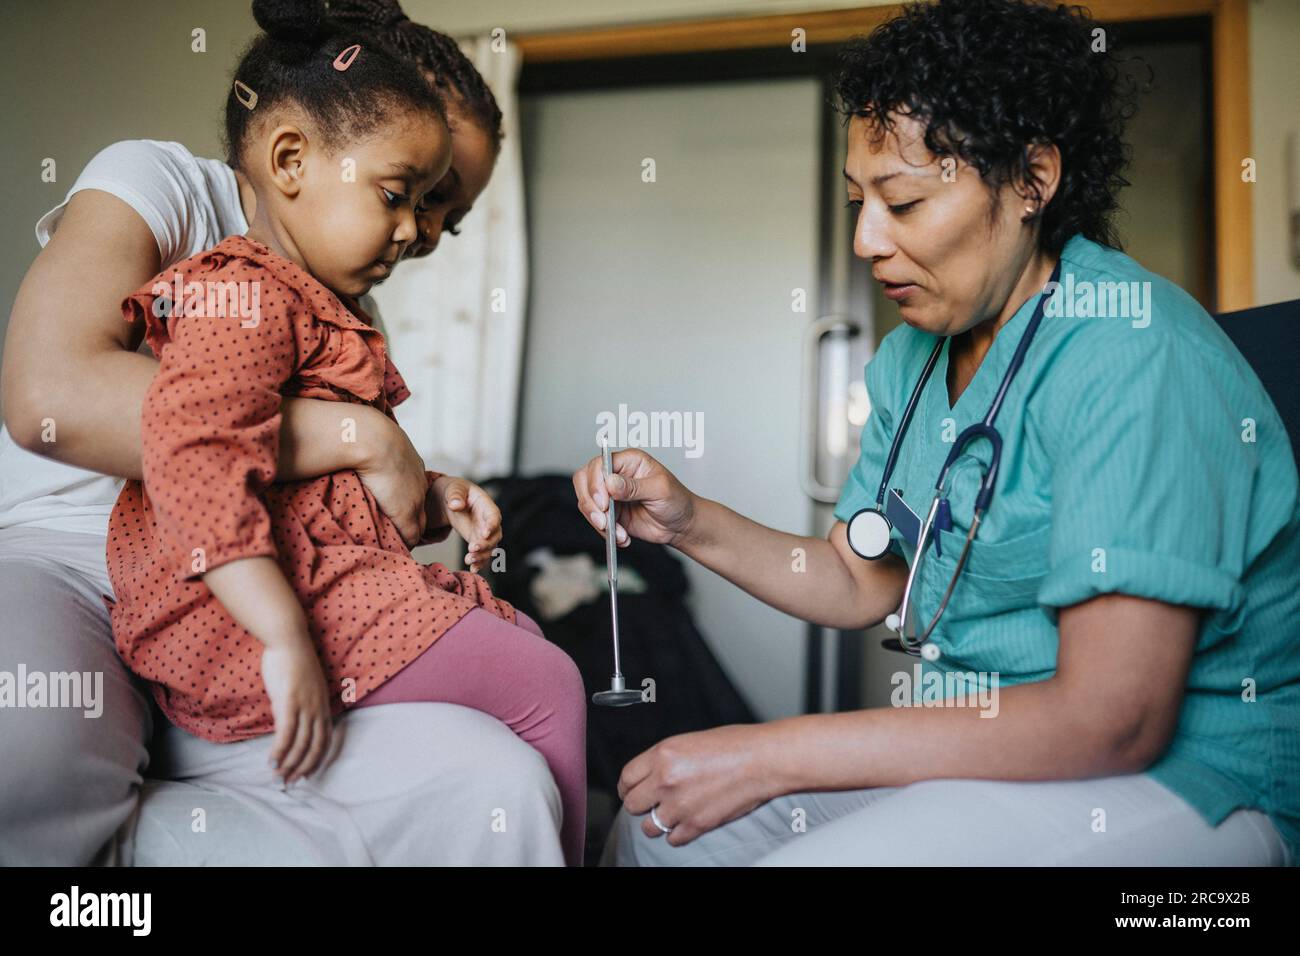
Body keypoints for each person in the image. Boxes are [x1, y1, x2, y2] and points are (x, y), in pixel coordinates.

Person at [572, 0, 1298, 866]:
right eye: (858, 201)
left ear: (1032, 179)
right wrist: (690, 521)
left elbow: (1114, 721)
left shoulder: (1130, 353)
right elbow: (860, 578)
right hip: (980, 745)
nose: (865, 240)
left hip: (1191, 775)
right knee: (656, 836)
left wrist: (769, 753)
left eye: (904, 202)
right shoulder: (912, 361)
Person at [0, 0, 566, 866]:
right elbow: (51, 397)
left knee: (497, 780)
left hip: (255, 586)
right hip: (75, 560)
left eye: (444, 213)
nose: (421, 233)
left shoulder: (350, 306)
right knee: (32, 754)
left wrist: (423, 486)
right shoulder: (167, 188)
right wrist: (358, 435)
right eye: (414, 190)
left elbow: (331, 500)